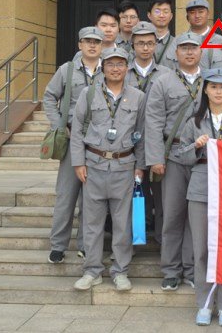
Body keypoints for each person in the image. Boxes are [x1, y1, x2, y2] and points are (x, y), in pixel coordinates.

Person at [174, 67, 222, 327]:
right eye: (213, 87)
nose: (218, 92)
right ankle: (205, 304)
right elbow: (181, 156)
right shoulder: (194, 122)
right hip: (201, 189)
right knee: (202, 250)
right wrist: (196, 146)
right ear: (205, 90)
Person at [70, 47, 146, 292]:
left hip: (124, 167)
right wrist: (78, 162)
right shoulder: (89, 93)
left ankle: (120, 271)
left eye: (120, 64)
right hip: (94, 165)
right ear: (103, 67)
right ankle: (92, 271)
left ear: (127, 68)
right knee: (92, 223)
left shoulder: (138, 96)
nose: (115, 68)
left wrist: (140, 166)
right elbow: (77, 130)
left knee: (123, 224)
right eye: (111, 64)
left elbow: (143, 133)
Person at [144, 32, 204, 291]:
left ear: (201, 51)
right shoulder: (163, 81)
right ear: (175, 53)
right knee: (172, 214)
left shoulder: (211, 80)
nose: (189, 52)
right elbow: (153, 122)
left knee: (195, 217)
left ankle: (191, 269)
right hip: (174, 154)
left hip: (202, 158)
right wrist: (156, 158)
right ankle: (170, 269)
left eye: (194, 48)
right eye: (184, 48)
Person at [42, 26, 103, 265]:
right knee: (66, 195)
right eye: (87, 41)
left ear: (102, 46)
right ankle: (58, 245)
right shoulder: (67, 70)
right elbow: (49, 96)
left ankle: (86, 246)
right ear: (80, 45)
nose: (92, 45)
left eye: (96, 42)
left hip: (97, 142)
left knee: (91, 198)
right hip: (71, 139)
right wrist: (59, 124)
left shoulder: (109, 70)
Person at [124, 21, 170, 244]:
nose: (145, 48)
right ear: (132, 45)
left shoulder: (167, 74)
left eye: (150, 43)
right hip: (126, 143)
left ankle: (162, 243)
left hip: (158, 142)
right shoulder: (122, 72)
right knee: (128, 197)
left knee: (161, 198)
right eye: (140, 43)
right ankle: (130, 244)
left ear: (156, 46)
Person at [148, 0, 178, 70]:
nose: (161, 15)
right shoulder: (140, 43)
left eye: (165, 12)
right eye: (157, 11)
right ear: (149, 15)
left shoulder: (177, 44)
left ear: (171, 16)